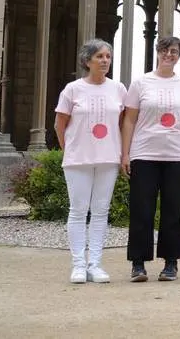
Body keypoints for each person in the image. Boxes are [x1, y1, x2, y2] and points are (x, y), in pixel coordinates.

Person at [54, 39, 127, 284]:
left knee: (100, 211)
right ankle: (77, 265)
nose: (105, 60)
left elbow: (122, 123)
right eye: (99, 56)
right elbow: (60, 124)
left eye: (108, 56)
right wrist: (70, 150)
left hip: (107, 158)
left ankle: (95, 264)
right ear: (87, 61)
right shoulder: (72, 89)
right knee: (77, 211)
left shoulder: (118, 89)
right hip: (78, 160)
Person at [121, 35, 180, 282]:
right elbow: (129, 119)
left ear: (179, 55)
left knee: (174, 210)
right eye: (164, 50)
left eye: (174, 51)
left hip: (178, 154)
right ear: (157, 52)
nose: (169, 55)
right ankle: (138, 263)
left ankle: (170, 263)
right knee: (142, 209)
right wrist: (126, 153)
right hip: (145, 152)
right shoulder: (141, 83)